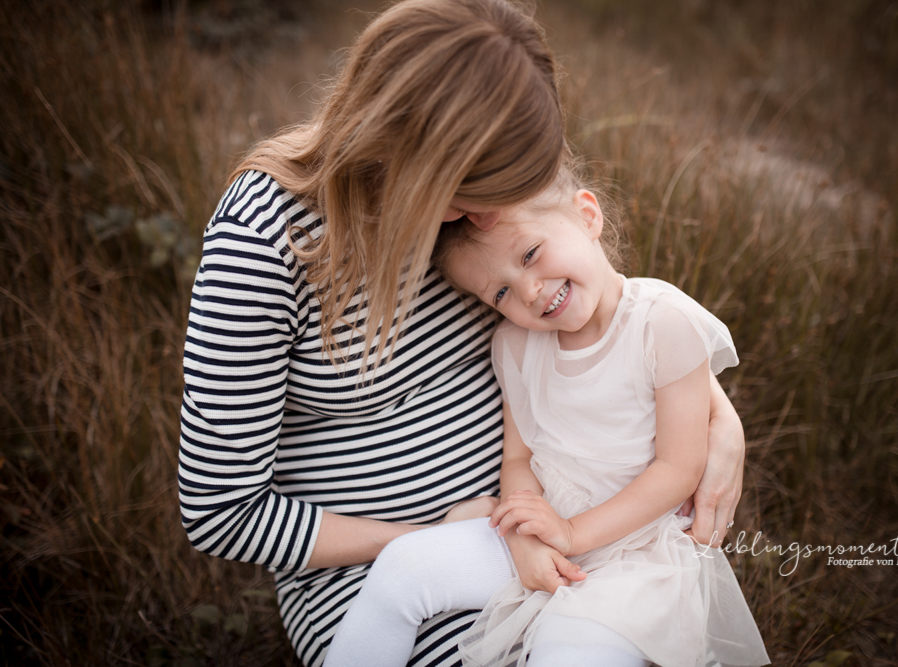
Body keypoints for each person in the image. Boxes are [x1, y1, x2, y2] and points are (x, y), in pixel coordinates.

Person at [178, 1, 748, 666]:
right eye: (476, 191)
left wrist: (718, 415)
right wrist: (421, 533)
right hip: (386, 567)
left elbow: (605, 316)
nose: (491, 212)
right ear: (422, 154)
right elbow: (221, 510)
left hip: (557, 524)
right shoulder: (265, 241)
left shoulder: (481, 206)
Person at [323, 166, 769, 667]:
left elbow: (679, 469)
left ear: (587, 215)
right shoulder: (514, 345)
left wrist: (572, 534)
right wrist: (525, 532)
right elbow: (519, 457)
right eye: (500, 293)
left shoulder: (663, 322)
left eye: (531, 255)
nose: (530, 291)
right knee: (402, 569)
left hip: (636, 552)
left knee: (568, 651)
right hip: (548, 528)